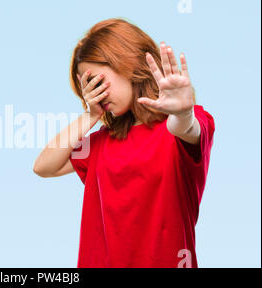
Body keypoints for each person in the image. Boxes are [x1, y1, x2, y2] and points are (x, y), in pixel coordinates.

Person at [33, 18, 215, 268]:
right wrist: (89, 115)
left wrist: (183, 113)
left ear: (128, 63)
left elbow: (186, 128)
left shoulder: (182, 128)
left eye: (98, 81)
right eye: (87, 87)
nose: (95, 93)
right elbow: (44, 166)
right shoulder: (99, 144)